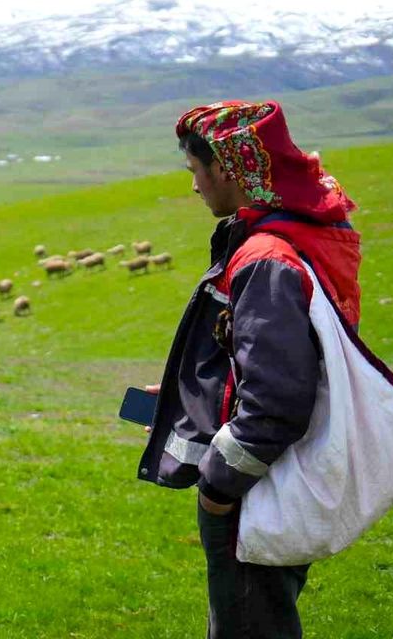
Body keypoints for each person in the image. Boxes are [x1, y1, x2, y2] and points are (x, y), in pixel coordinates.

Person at [136, 100, 362, 639]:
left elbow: (276, 403)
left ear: (226, 169)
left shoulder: (266, 259)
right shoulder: (291, 239)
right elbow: (269, 362)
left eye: (195, 171)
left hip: (255, 487)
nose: (194, 186)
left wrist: (218, 487)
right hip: (279, 474)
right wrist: (192, 400)